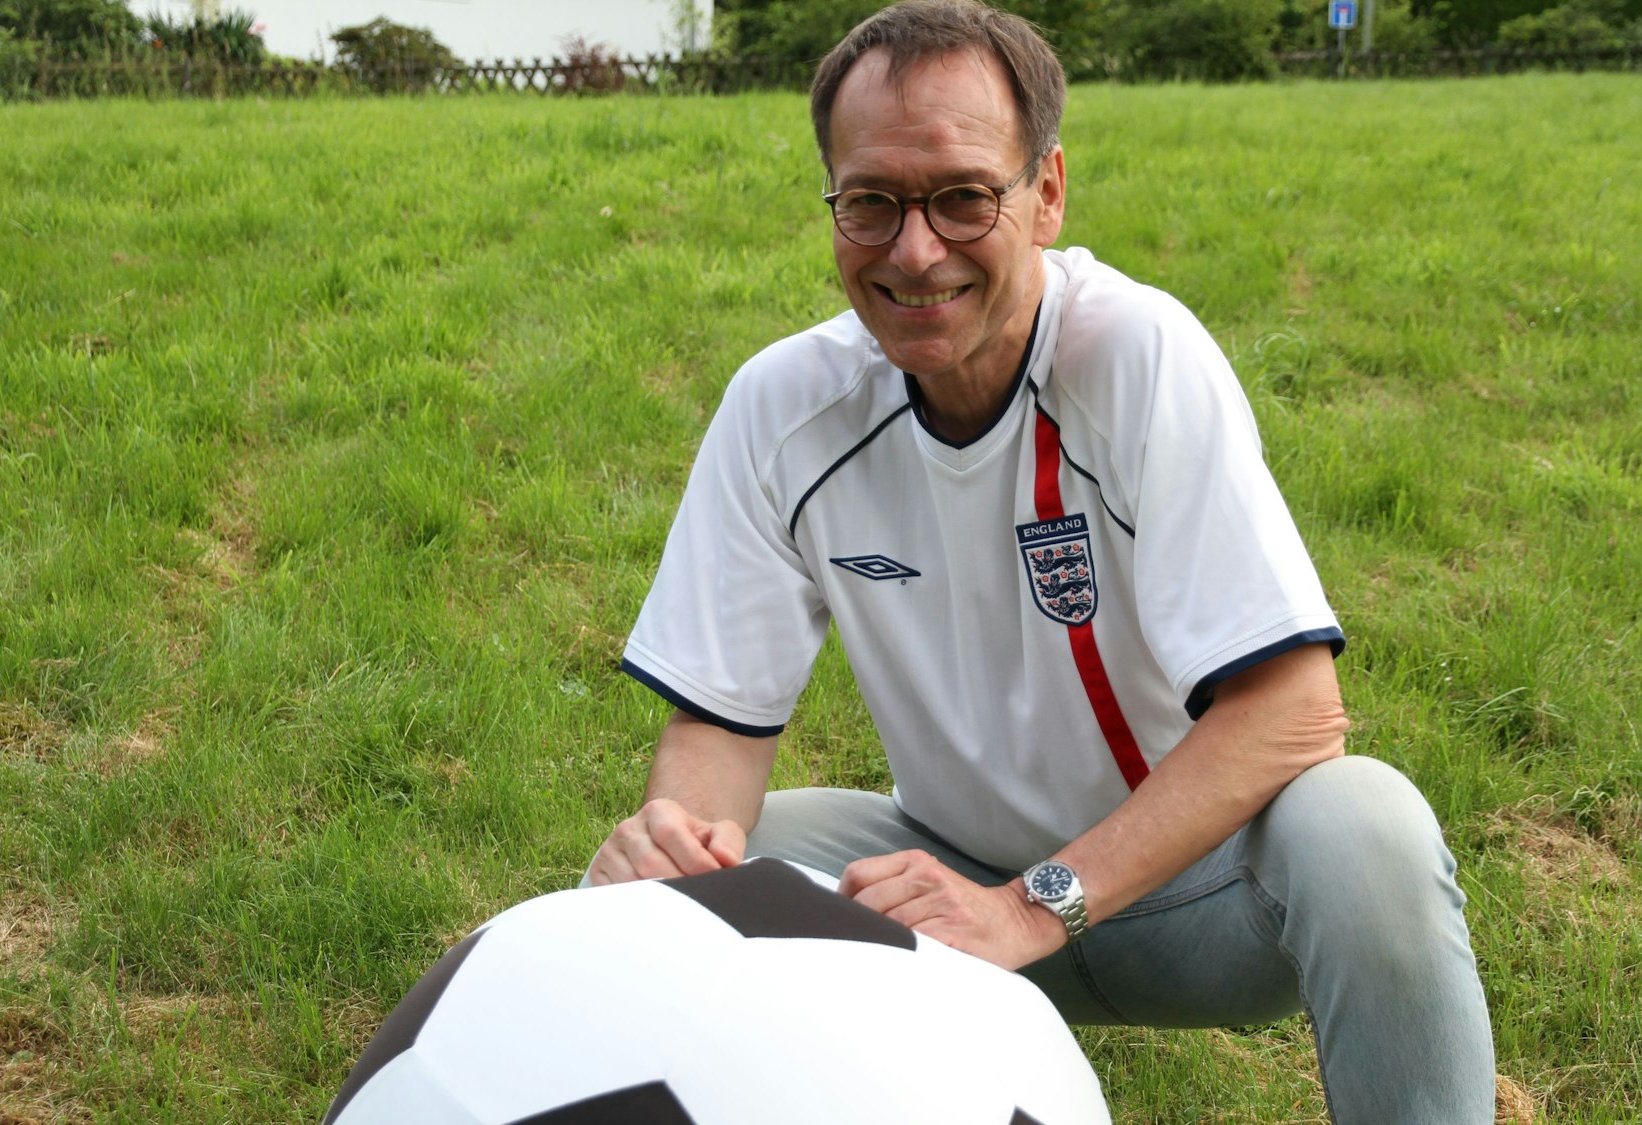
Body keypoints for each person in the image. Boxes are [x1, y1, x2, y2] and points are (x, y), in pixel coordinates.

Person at [585, 2, 1495, 1119]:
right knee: (696, 872)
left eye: (963, 197)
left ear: (1046, 192)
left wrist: (1031, 904)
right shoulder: (781, 407)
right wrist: (679, 855)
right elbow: (719, 725)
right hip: (947, 881)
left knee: (1364, 826)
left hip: (1188, 898)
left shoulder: (1133, 356)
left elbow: (1294, 713)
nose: (913, 251)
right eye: (870, 203)